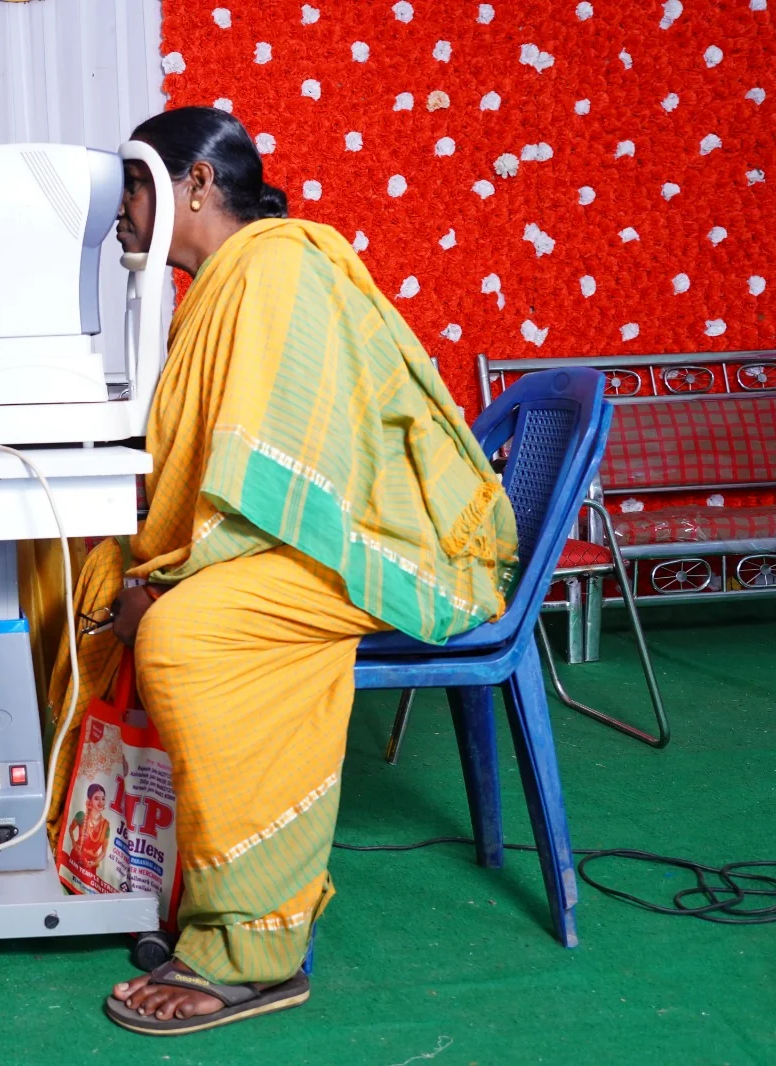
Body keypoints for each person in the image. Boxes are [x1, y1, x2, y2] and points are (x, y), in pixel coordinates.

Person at [45, 107, 518, 1035]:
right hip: (288, 534)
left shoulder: (277, 267)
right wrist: (148, 564)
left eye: (136, 187)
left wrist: (171, 579)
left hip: (367, 542)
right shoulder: (222, 284)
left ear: (196, 185)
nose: (120, 215)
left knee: (184, 632)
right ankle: (124, 857)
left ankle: (254, 945)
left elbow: (288, 475)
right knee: (87, 573)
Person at [66, 783, 112, 882]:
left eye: (103, 798)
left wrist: (94, 863)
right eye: (96, 798)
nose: (101, 802)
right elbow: (70, 829)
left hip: (90, 867)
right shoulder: (81, 815)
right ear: (89, 800)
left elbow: (104, 851)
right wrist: (74, 843)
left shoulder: (106, 826)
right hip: (75, 858)